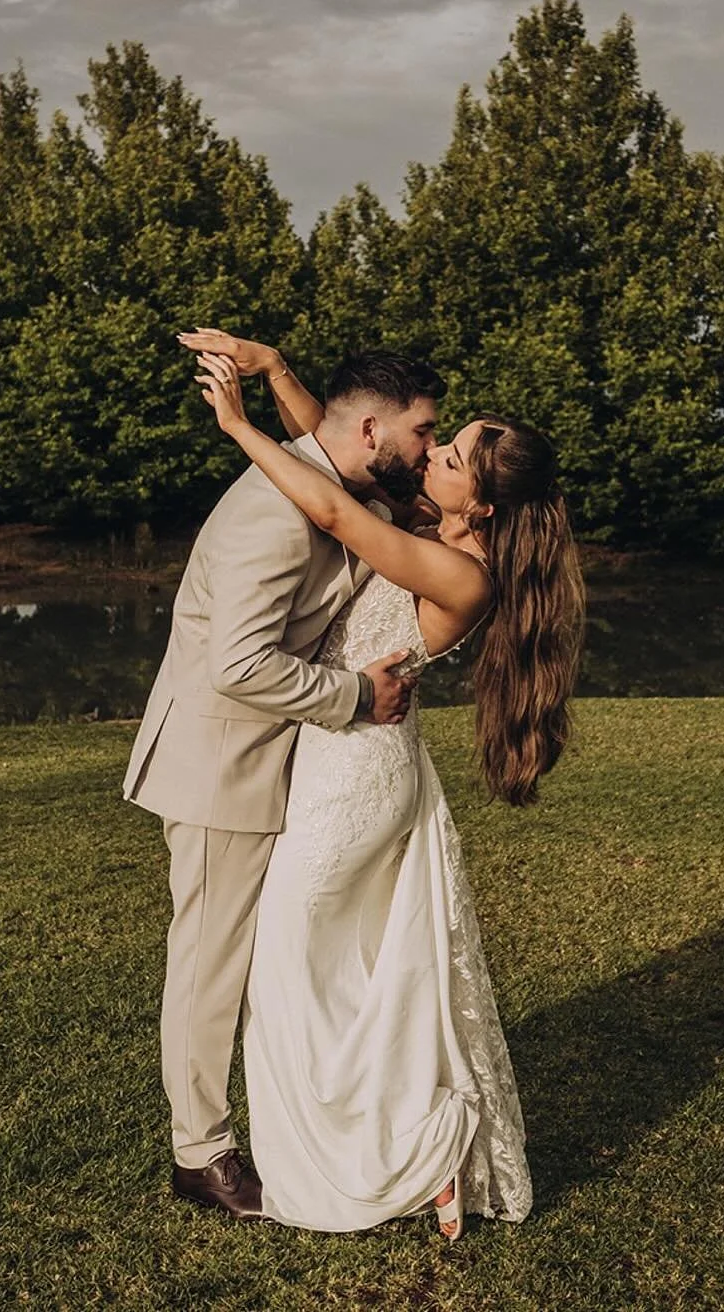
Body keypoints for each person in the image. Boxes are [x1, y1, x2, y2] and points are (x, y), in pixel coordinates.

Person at [186, 329, 585, 1237]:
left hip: (354, 780)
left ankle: (397, 1154)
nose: (429, 454)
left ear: (481, 503)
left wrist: (239, 428)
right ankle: (410, 1144)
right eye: (437, 439)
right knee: (339, 973)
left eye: (450, 454)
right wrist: (278, 371)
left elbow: (333, 508)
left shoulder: (457, 571)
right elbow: (346, 446)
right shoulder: (430, 528)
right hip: (351, 763)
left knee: (291, 970)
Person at [122, 347, 446, 1218]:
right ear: (372, 429)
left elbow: (319, 435)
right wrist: (357, 696)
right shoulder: (272, 511)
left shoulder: (339, 480)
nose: (430, 446)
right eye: (423, 431)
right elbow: (237, 667)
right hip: (220, 767)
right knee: (210, 965)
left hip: (279, 763)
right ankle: (201, 1156)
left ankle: (309, 1115)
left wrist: (272, 368)